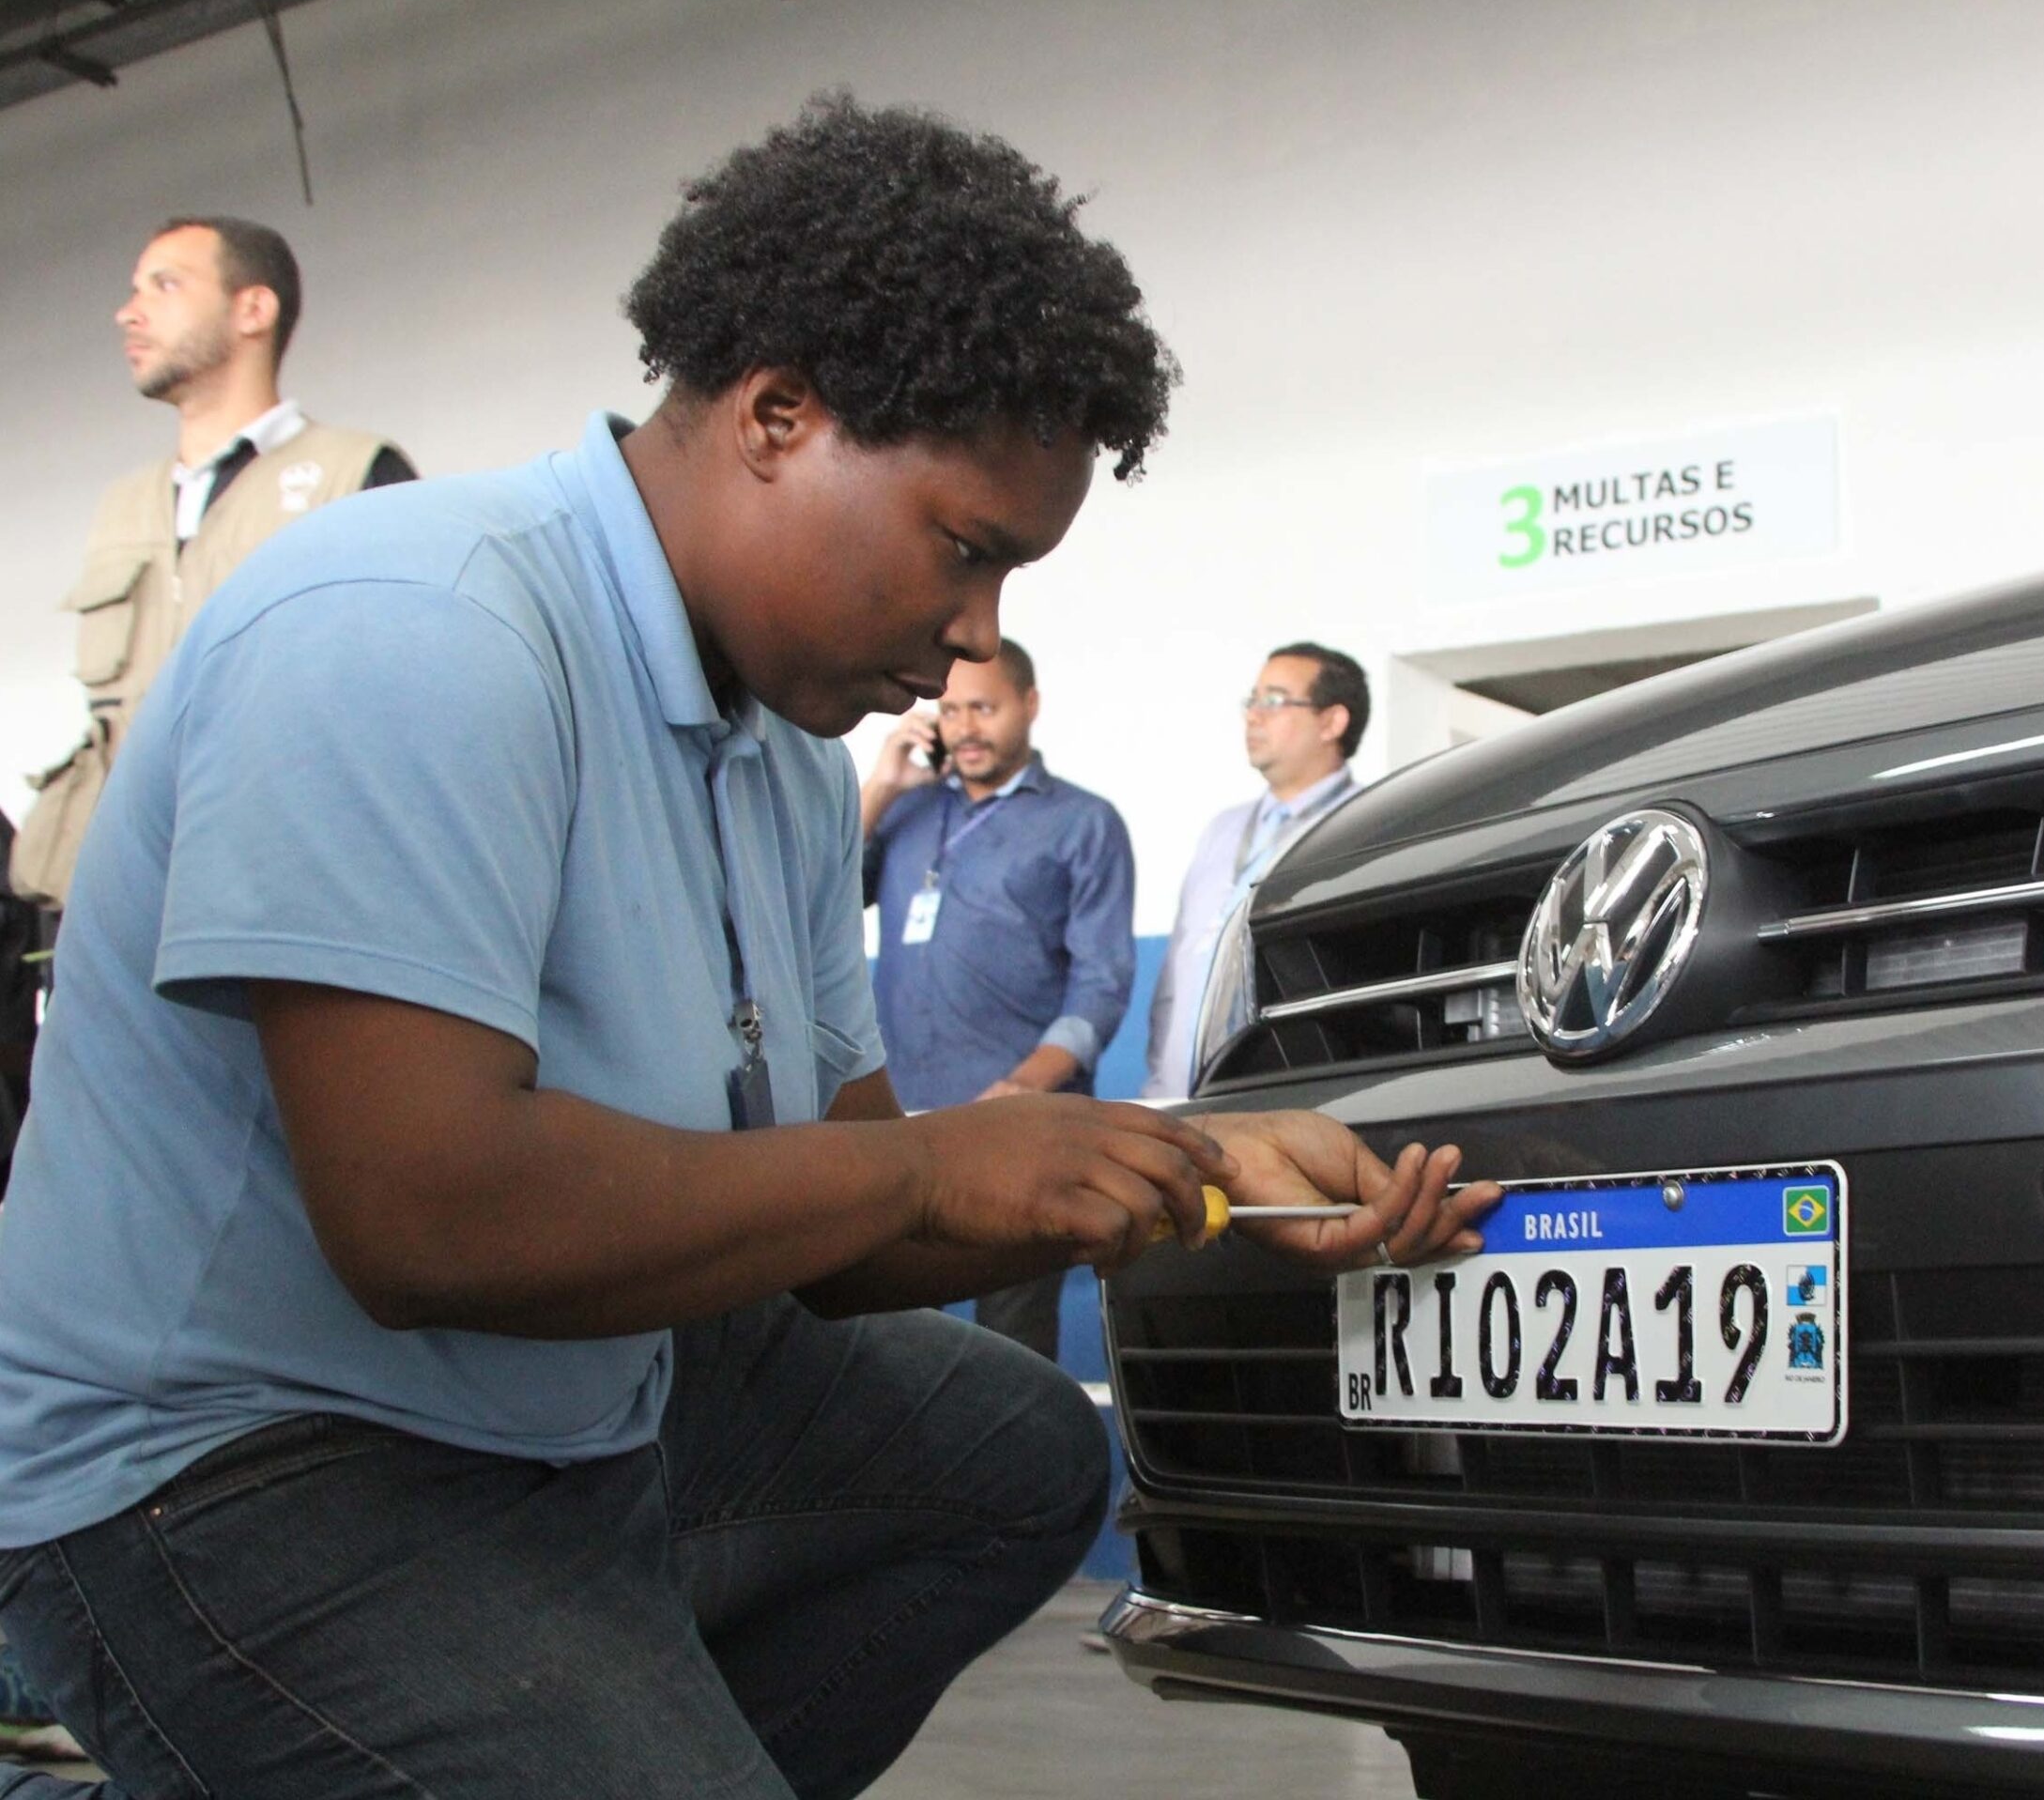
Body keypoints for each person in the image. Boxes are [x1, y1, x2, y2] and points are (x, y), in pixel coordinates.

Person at [0, 98, 1497, 1799]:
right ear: (778, 415)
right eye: (966, 549)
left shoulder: (783, 767)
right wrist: (945, 1170)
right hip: (236, 1464)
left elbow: (839, 1225)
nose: (974, 641)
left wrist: (1186, 1164)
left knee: (1008, 1452)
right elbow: (428, 1215)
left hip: (563, 1413)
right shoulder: (414, 631)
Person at [8, 216, 415, 913]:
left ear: (253, 309)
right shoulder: (122, 506)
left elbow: (412, 705)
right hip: (115, 907)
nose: (128, 312)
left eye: (164, 285)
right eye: (133, 290)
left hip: (282, 902)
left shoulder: (358, 474)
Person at [861, 640, 1136, 1361]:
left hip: (1023, 1126)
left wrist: (1026, 1085)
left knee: (1011, 1345)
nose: (965, 727)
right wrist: (881, 787)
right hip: (901, 1121)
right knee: (893, 1341)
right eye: (950, 710)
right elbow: (817, 895)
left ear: (1030, 705)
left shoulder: (1084, 822)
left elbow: (1103, 980)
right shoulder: (908, 814)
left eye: (984, 707)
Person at [1143, 642, 1371, 1099]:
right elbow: (1175, 977)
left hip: (1286, 1097)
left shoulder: (1363, 825)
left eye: (1275, 701)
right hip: (1176, 1099)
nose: (1253, 716)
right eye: (1253, 700)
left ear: (1332, 721)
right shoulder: (1221, 830)